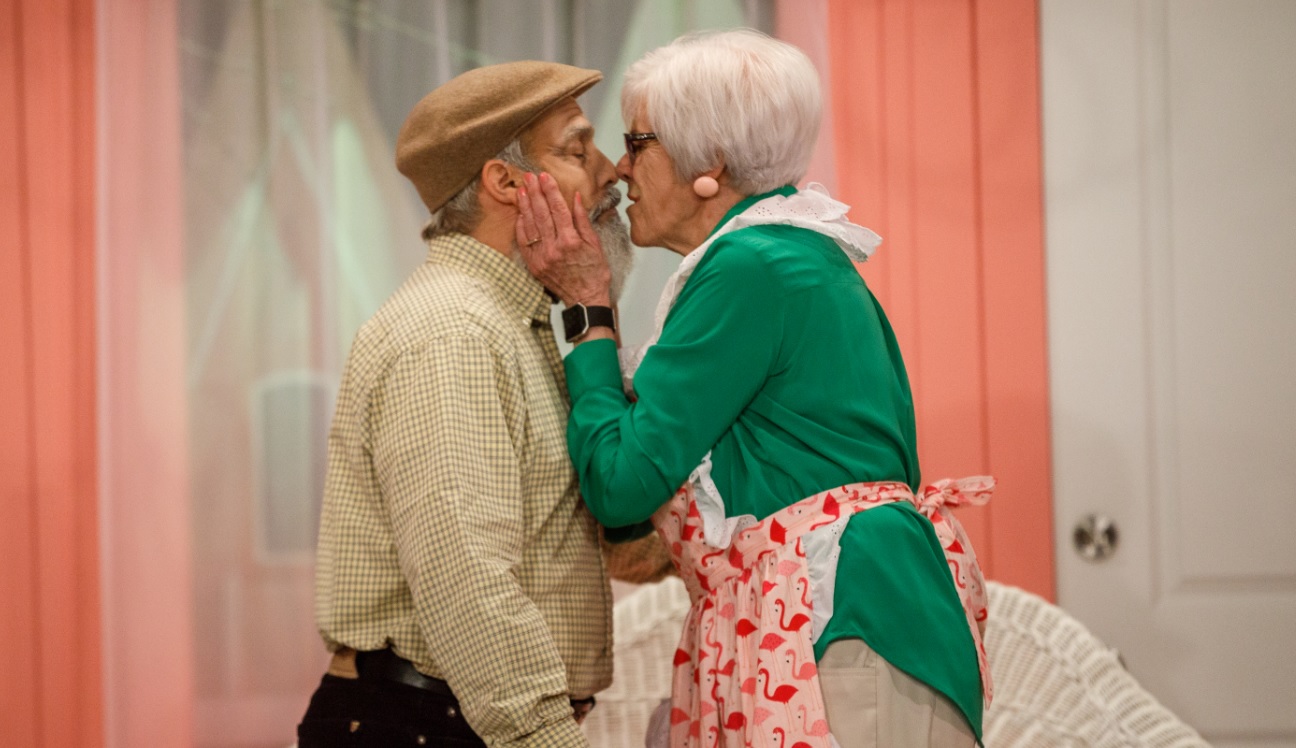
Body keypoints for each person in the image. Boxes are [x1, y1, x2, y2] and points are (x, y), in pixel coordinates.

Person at [517, 30, 992, 748]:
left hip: (834, 623)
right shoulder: (782, 254)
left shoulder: (752, 267)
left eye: (637, 143)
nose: (619, 169)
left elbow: (620, 483)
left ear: (708, 163)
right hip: (834, 618)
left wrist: (589, 309)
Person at [298, 61, 637, 747]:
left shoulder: (523, 324)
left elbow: (620, 542)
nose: (613, 173)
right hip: (425, 725)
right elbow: (466, 584)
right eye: (577, 149)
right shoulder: (454, 333)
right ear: (505, 182)